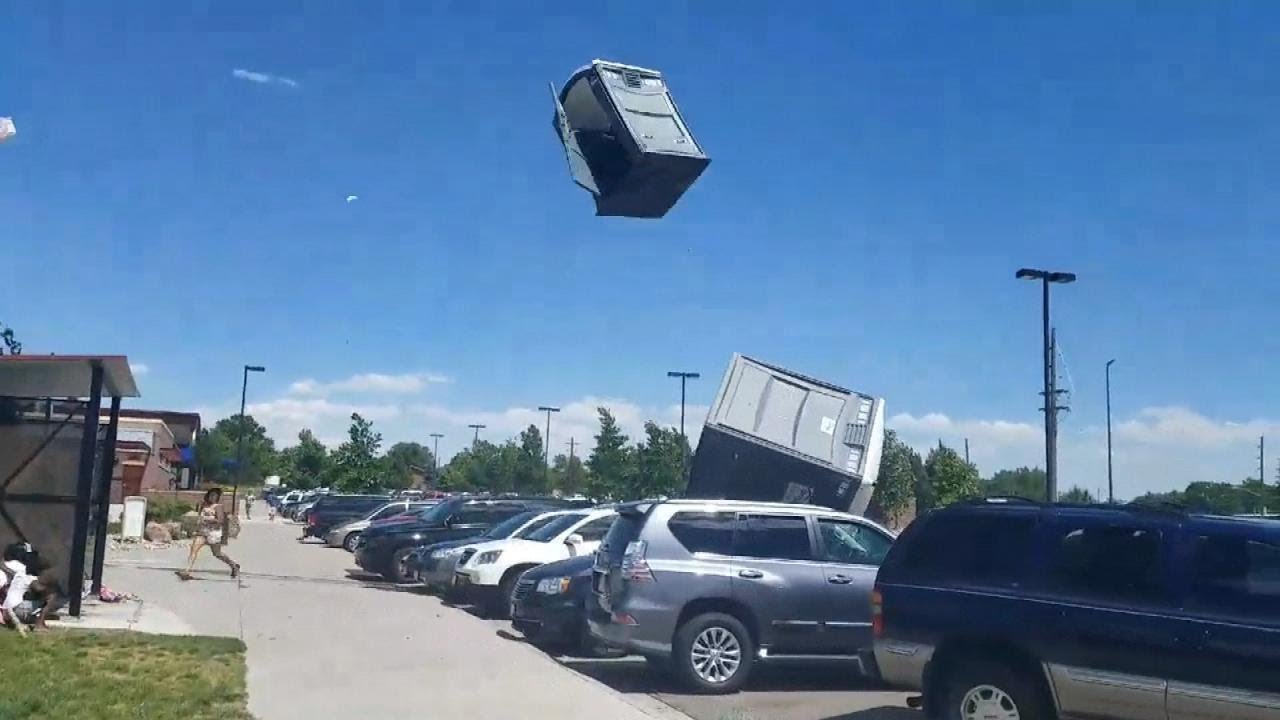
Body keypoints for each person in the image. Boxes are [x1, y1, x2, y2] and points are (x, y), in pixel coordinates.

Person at [176, 488, 240, 580]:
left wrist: (209, 520)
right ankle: (187, 571)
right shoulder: (204, 505)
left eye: (215, 496)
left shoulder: (218, 507)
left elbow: (220, 520)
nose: (212, 497)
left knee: (217, 554)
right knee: (193, 550)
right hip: (202, 532)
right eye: (211, 495)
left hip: (213, 533)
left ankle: (233, 565)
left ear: (217, 497)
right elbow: (200, 517)